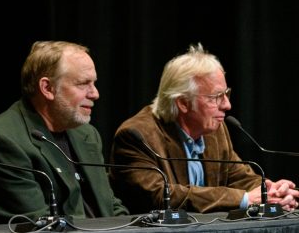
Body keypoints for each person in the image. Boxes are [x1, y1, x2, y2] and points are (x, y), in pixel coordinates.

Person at [109, 43, 299, 214]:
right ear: (183, 103)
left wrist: (272, 191)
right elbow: (162, 196)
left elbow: (239, 177)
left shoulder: (214, 129)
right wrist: (244, 200)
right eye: (216, 97)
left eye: (226, 94)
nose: (227, 105)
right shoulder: (136, 136)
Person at [0, 40, 128, 225]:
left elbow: (110, 206)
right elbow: (41, 227)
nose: (95, 93)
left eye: (94, 83)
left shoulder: (87, 134)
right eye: (83, 84)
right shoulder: (3, 142)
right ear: (47, 88)